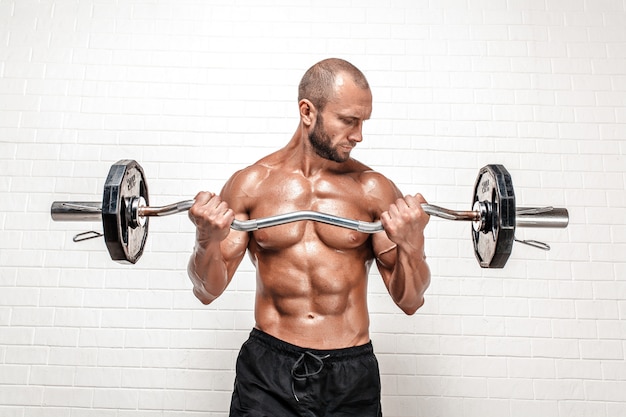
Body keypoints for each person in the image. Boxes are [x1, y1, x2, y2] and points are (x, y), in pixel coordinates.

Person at [187, 58, 431, 417]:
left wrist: (412, 244)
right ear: (307, 111)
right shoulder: (252, 184)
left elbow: (410, 301)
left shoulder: (373, 190)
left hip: (351, 374)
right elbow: (207, 290)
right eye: (349, 120)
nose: (359, 135)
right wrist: (206, 239)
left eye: (363, 122)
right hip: (268, 370)